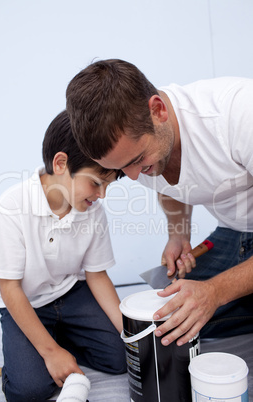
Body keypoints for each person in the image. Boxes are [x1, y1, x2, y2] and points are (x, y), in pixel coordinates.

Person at [66, 59, 253, 348]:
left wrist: (215, 291)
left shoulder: (239, 113)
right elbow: (165, 179)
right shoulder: (141, 146)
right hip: (236, 232)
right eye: (120, 171)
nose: (132, 176)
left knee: (200, 302)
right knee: (169, 309)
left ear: (158, 110)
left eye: (137, 160)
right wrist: (178, 232)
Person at [0, 110, 126, 401]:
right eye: (97, 183)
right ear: (61, 163)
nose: (102, 195)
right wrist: (49, 352)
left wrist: (129, 332)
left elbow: (97, 276)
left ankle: (56, 338)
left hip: (70, 293)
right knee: (29, 390)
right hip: (26, 302)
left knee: (123, 358)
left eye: (108, 185)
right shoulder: (13, 205)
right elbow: (9, 288)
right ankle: (38, 346)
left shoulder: (92, 210)